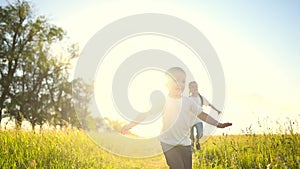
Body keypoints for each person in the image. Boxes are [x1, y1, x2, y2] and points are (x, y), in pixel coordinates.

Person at [121, 67, 232, 169]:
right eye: (175, 80)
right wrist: (130, 125)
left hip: (185, 143)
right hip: (168, 144)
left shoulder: (189, 102)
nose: (179, 84)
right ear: (166, 83)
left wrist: (218, 124)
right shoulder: (163, 102)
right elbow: (146, 114)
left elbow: (203, 115)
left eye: (183, 81)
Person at [188, 81, 222, 151]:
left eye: (196, 86)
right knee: (191, 136)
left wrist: (217, 110)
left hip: (199, 120)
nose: (195, 88)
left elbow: (209, 104)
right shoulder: (188, 99)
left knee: (200, 133)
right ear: (190, 89)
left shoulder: (201, 98)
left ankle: (197, 143)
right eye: (193, 87)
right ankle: (191, 147)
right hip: (190, 120)